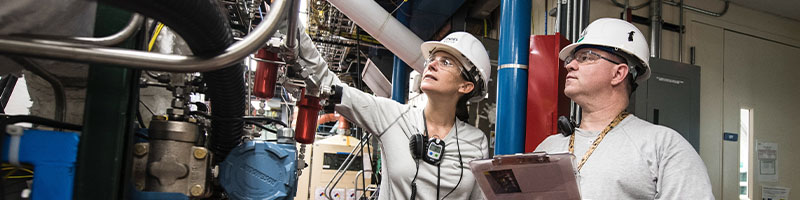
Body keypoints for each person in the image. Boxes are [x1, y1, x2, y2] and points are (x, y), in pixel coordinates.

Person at [297, 31, 491, 199]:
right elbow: (328, 83)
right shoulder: (394, 117)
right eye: (431, 59)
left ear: (465, 86)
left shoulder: (475, 142)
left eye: (446, 62)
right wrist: (286, 18)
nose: (431, 65)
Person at [534, 18, 713, 199]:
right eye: (572, 59)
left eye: (586, 57)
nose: (570, 65)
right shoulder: (548, 148)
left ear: (618, 73)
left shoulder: (663, 147)